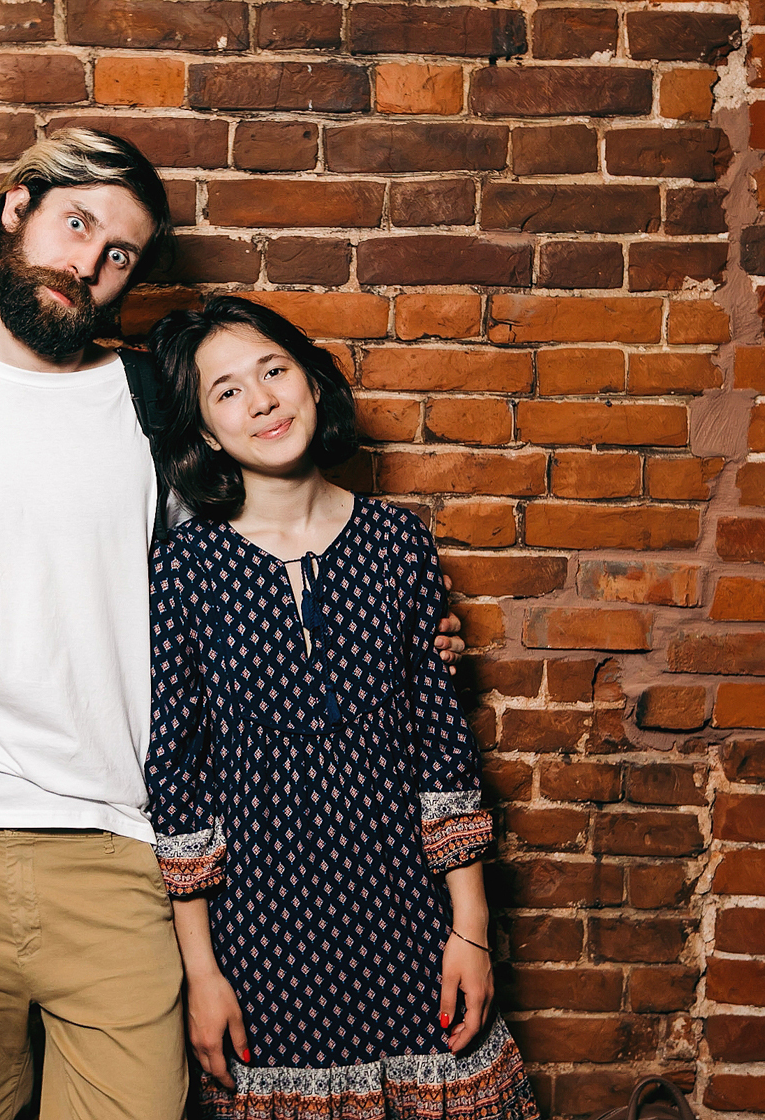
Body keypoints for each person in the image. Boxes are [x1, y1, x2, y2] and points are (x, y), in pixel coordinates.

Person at [0, 130, 464, 1120]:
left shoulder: (150, 405)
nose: (89, 265)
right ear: (17, 208)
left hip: (121, 848)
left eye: (118, 253)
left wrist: (397, 626)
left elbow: (259, 549)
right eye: (77, 224)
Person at [144, 297, 538, 1120]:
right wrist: (202, 972)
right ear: (207, 432)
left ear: (313, 384)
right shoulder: (183, 571)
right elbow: (178, 780)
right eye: (227, 391)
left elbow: (443, 750)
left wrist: (469, 929)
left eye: (274, 371)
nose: (261, 401)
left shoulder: (398, 543)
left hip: (407, 920)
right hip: (260, 938)